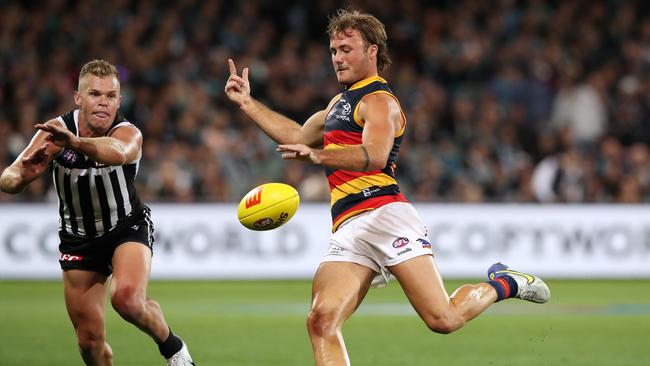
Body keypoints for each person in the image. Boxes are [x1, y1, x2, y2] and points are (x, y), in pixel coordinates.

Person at [225, 9, 550, 365]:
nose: (337, 58)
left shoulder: (379, 101)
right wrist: (247, 103)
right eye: (333, 50)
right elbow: (297, 136)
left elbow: (375, 156)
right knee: (321, 321)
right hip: (347, 227)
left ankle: (505, 283)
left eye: (346, 49)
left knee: (443, 319)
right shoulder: (337, 105)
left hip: (384, 214)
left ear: (372, 51)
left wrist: (318, 157)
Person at [0, 59, 195, 366]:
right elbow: (8, 179)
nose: (103, 102)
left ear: (119, 100)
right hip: (78, 238)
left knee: (127, 301)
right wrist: (26, 174)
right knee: (89, 343)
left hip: (125, 227)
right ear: (78, 97)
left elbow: (117, 153)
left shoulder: (128, 133)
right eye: (94, 94)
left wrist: (75, 144)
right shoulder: (54, 130)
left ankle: (173, 348)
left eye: (111, 96)